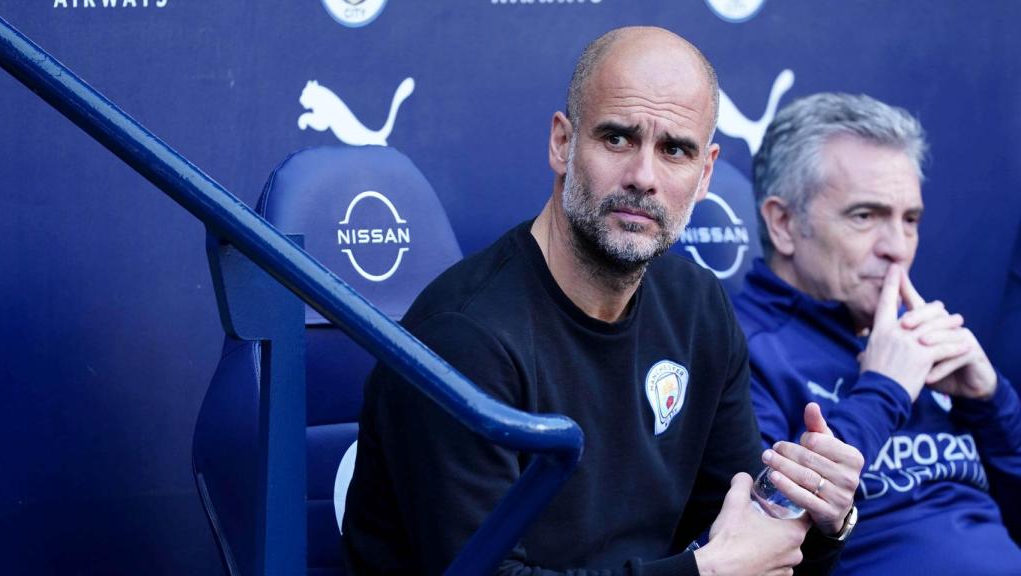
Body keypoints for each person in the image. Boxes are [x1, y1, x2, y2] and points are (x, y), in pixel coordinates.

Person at [343, 27, 863, 575]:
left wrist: (818, 514)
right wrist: (703, 573)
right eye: (617, 138)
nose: (643, 177)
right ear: (562, 143)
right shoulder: (463, 336)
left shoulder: (697, 307)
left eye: (675, 150)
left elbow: (737, 532)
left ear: (705, 172)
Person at [736, 92, 1021, 575]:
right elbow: (751, 542)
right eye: (865, 216)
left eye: (910, 220)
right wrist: (884, 391)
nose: (897, 248)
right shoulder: (739, 346)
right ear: (783, 224)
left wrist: (991, 403)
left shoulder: (922, 340)